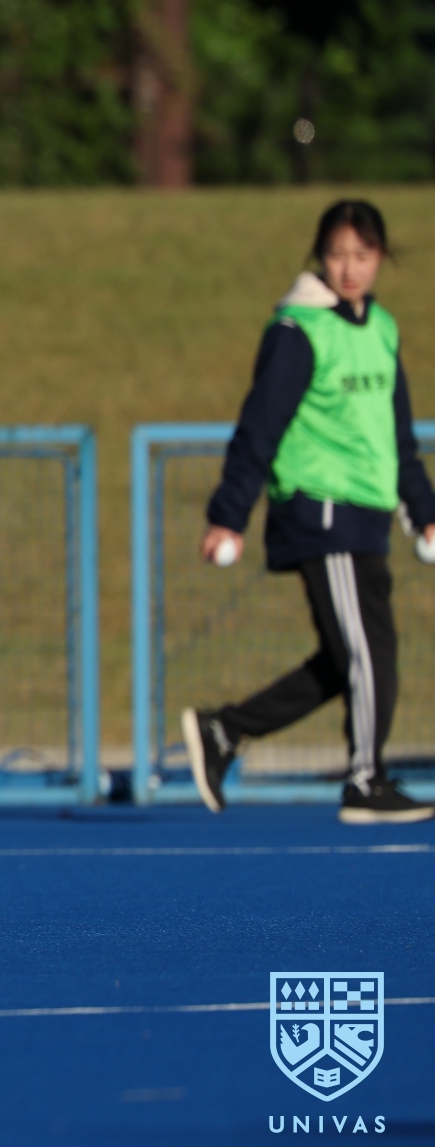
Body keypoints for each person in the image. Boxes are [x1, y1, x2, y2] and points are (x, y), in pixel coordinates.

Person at [186, 198, 435, 825]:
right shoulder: (299, 331)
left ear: (381, 257)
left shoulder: (382, 330)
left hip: (367, 516)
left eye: (363, 255)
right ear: (320, 256)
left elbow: (398, 438)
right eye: (337, 254)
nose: (349, 268)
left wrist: (425, 510)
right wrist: (229, 514)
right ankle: (366, 780)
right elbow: (260, 425)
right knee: (369, 654)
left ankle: (225, 729)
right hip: (322, 512)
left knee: (349, 658)